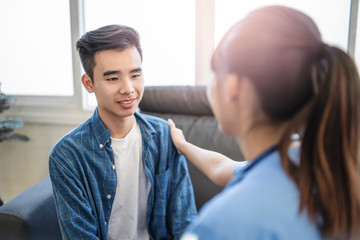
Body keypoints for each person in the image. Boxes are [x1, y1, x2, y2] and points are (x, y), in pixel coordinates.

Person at [175, 5, 360, 239]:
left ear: (233, 86)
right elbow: (221, 167)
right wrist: (182, 145)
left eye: (215, 75)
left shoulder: (219, 225)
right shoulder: (316, 164)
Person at [48, 24, 197, 240]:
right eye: (112, 78)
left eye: (135, 75)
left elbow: (186, 222)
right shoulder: (67, 156)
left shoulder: (165, 136)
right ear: (89, 83)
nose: (128, 88)